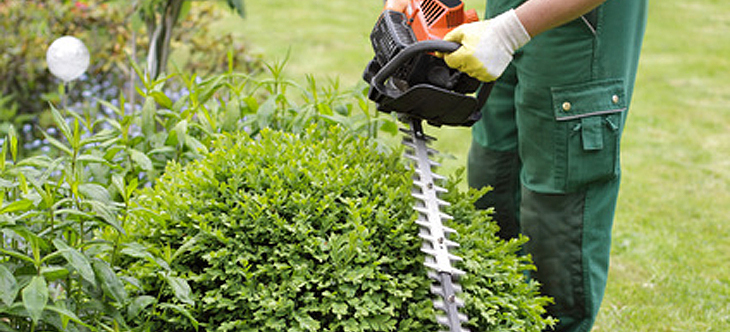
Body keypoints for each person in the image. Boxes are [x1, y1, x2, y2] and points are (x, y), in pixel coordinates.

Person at [384, 0, 647, 331]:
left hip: (581, 22)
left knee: (556, 206)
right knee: (493, 171)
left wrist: (509, 33)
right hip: (506, 10)